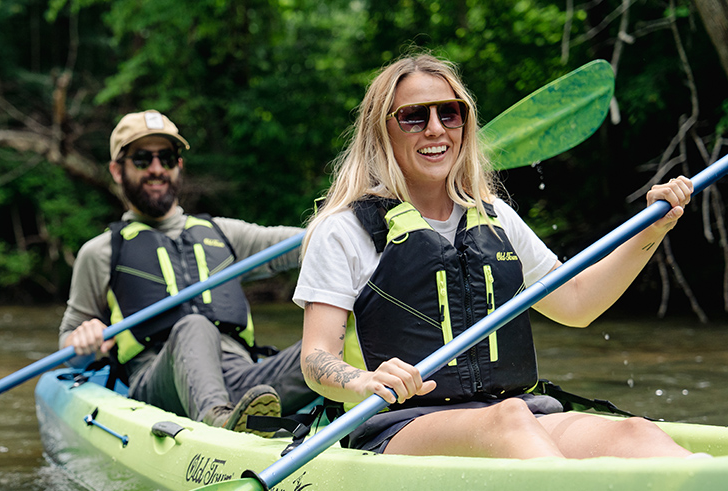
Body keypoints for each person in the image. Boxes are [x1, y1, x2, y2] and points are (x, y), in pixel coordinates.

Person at [293, 53, 698, 459]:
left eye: (450, 114)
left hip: (513, 412)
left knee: (636, 434)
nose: (435, 129)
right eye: (414, 117)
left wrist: (652, 229)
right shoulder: (343, 230)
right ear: (382, 131)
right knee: (509, 422)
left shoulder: (494, 216)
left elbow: (577, 303)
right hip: (399, 425)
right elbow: (315, 359)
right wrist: (364, 381)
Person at [60, 109, 316, 436]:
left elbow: (307, 243)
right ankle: (221, 424)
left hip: (244, 381)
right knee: (195, 325)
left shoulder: (224, 233)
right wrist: (82, 343)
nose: (156, 169)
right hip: (161, 386)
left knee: (341, 336)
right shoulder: (100, 253)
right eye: (141, 159)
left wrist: (358, 220)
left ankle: (377, 417)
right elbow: (68, 348)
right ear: (117, 170)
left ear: (178, 165)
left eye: (166, 158)